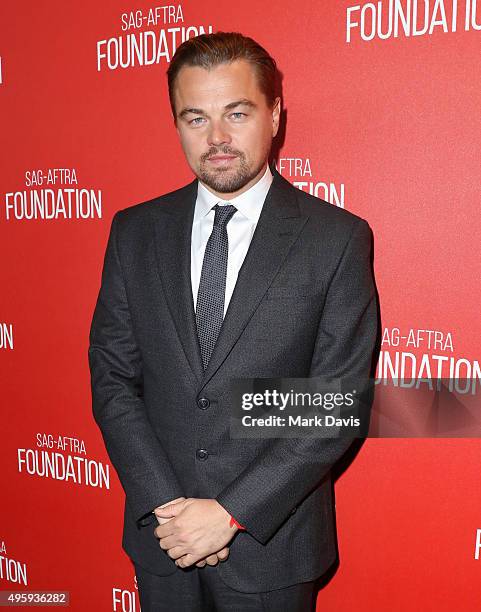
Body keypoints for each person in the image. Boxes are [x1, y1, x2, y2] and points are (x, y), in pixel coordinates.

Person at [88, 31, 379, 612]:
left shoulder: (336, 239)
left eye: (236, 113)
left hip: (273, 549)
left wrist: (230, 514)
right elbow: (113, 378)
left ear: (274, 114)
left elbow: (336, 401)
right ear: (175, 123)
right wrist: (168, 505)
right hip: (163, 541)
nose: (216, 138)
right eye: (194, 118)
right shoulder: (134, 231)